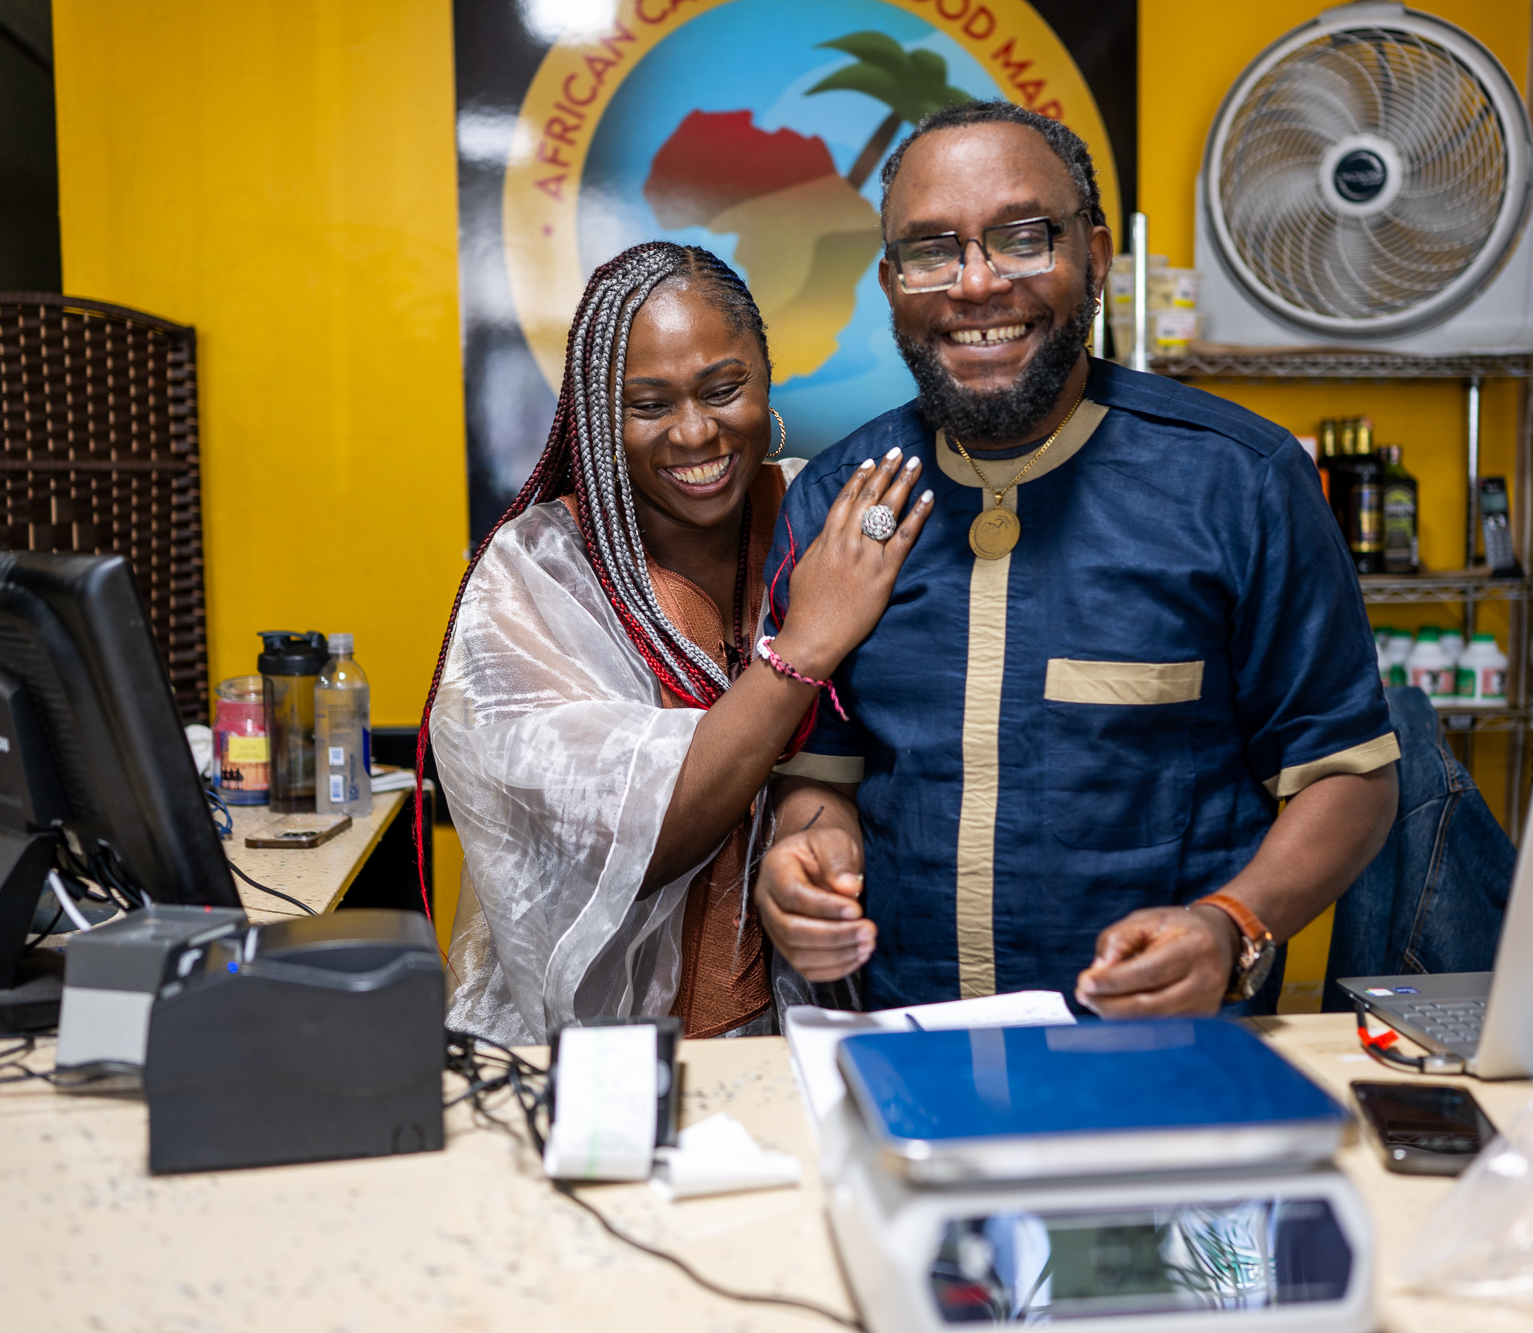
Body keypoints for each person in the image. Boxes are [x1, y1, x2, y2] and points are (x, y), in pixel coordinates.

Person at [753, 102, 1401, 1018]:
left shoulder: (1241, 482)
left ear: (1094, 259)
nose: (976, 285)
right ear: (893, 282)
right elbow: (824, 775)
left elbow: (1350, 773)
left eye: (1021, 238)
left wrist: (1232, 923)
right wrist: (806, 856)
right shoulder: (838, 499)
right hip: (907, 1043)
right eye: (932, 250)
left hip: (1166, 1059)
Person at [421, 242, 932, 1044]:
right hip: (591, 1058)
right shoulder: (535, 574)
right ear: (596, 415)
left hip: (804, 1034)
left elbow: (880, 749)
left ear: (767, 375)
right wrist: (803, 647)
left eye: (724, 389)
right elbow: (636, 842)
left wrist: (820, 833)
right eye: (648, 404)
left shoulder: (824, 516)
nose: (696, 433)